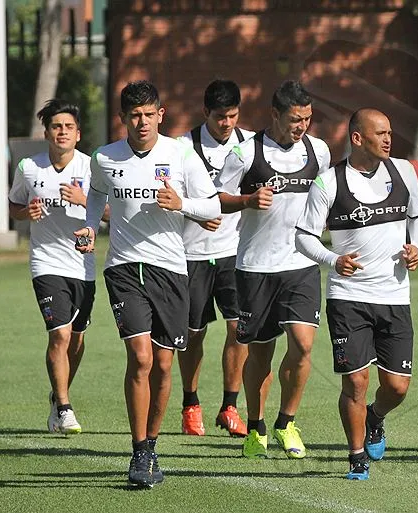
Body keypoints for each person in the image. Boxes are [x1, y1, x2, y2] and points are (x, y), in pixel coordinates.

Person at [74, 80, 221, 488]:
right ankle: (139, 450)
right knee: (139, 357)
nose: (141, 122)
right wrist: (89, 228)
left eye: (148, 114)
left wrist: (182, 204)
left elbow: (212, 206)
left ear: (161, 114)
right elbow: (96, 196)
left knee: (162, 362)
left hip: (171, 269)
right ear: (123, 118)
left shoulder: (181, 154)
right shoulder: (104, 157)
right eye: (133, 115)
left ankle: (152, 444)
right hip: (123, 267)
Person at [295, 108, 418, 480]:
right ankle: (356, 456)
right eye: (381, 133)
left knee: (397, 387)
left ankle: (376, 416)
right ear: (358, 138)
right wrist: (333, 259)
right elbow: (303, 236)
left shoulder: (404, 171)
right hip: (348, 296)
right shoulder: (328, 182)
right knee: (355, 381)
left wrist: (416, 245)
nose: (389, 139)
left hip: (395, 296)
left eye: (390, 132)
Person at [216, 80, 331, 460]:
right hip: (255, 267)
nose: (302, 126)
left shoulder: (319, 151)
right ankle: (256, 425)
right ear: (276, 115)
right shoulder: (245, 154)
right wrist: (247, 200)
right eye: (295, 119)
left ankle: (287, 422)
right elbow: (215, 199)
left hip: (301, 264)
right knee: (260, 353)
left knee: (303, 344)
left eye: (308, 119)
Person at [8, 99, 95, 435]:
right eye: (56, 126)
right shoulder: (29, 167)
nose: (62, 132)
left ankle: (58, 394)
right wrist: (23, 213)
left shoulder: (91, 168)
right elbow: (15, 205)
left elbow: (111, 213)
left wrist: (84, 200)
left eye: (68, 127)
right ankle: (64, 406)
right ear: (46, 132)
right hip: (45, 262)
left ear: (78, 134)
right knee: (59, 335)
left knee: (76, 340)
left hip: (83, 267)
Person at [176, 79, 256, 437]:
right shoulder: (182, 148)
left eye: (233, 116)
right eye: (221, 116)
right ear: (205, 112)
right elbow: (168, 200)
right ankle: (191, 403)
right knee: (193, 333)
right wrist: (198, 214)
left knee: (240, 329)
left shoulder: (252, 144)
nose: (227, 123)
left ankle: (229, 406)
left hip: (236, 254)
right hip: (190, 254)